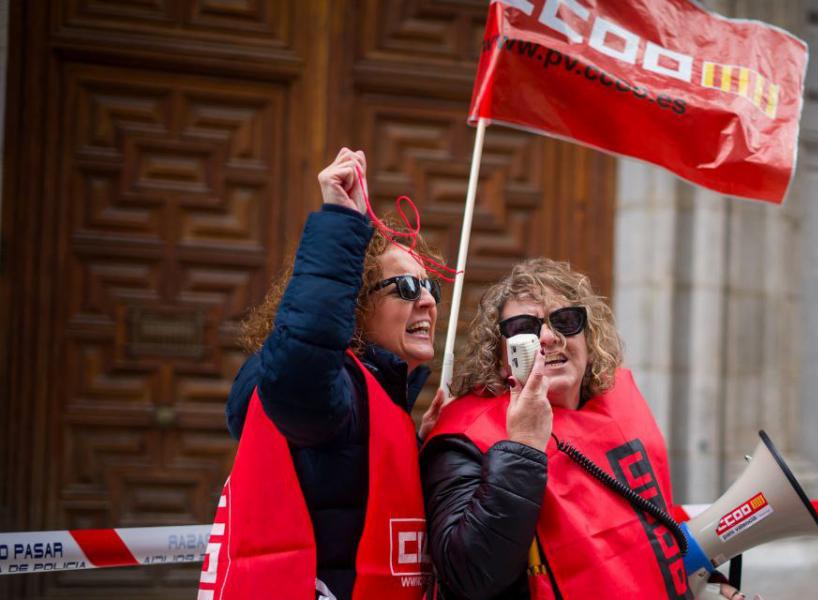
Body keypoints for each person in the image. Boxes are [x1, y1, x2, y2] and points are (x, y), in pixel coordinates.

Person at [421, 258, 754, 600]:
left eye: (565, 321)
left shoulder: (618, 405)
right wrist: (523, 448)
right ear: (500, 353)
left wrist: (709, 585)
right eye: (525, 328)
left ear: (588, 336)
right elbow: (470, 575)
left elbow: (652, 534)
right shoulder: (463, 437)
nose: (549, 337)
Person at [199, 149, 445, 600]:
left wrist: (421, 450)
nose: (427, 301)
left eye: (431, 287)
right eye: (407, 288)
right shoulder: (336, 394)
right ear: (353, 306)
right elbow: (301, 365)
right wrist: (341, 225)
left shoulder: (381, 404)